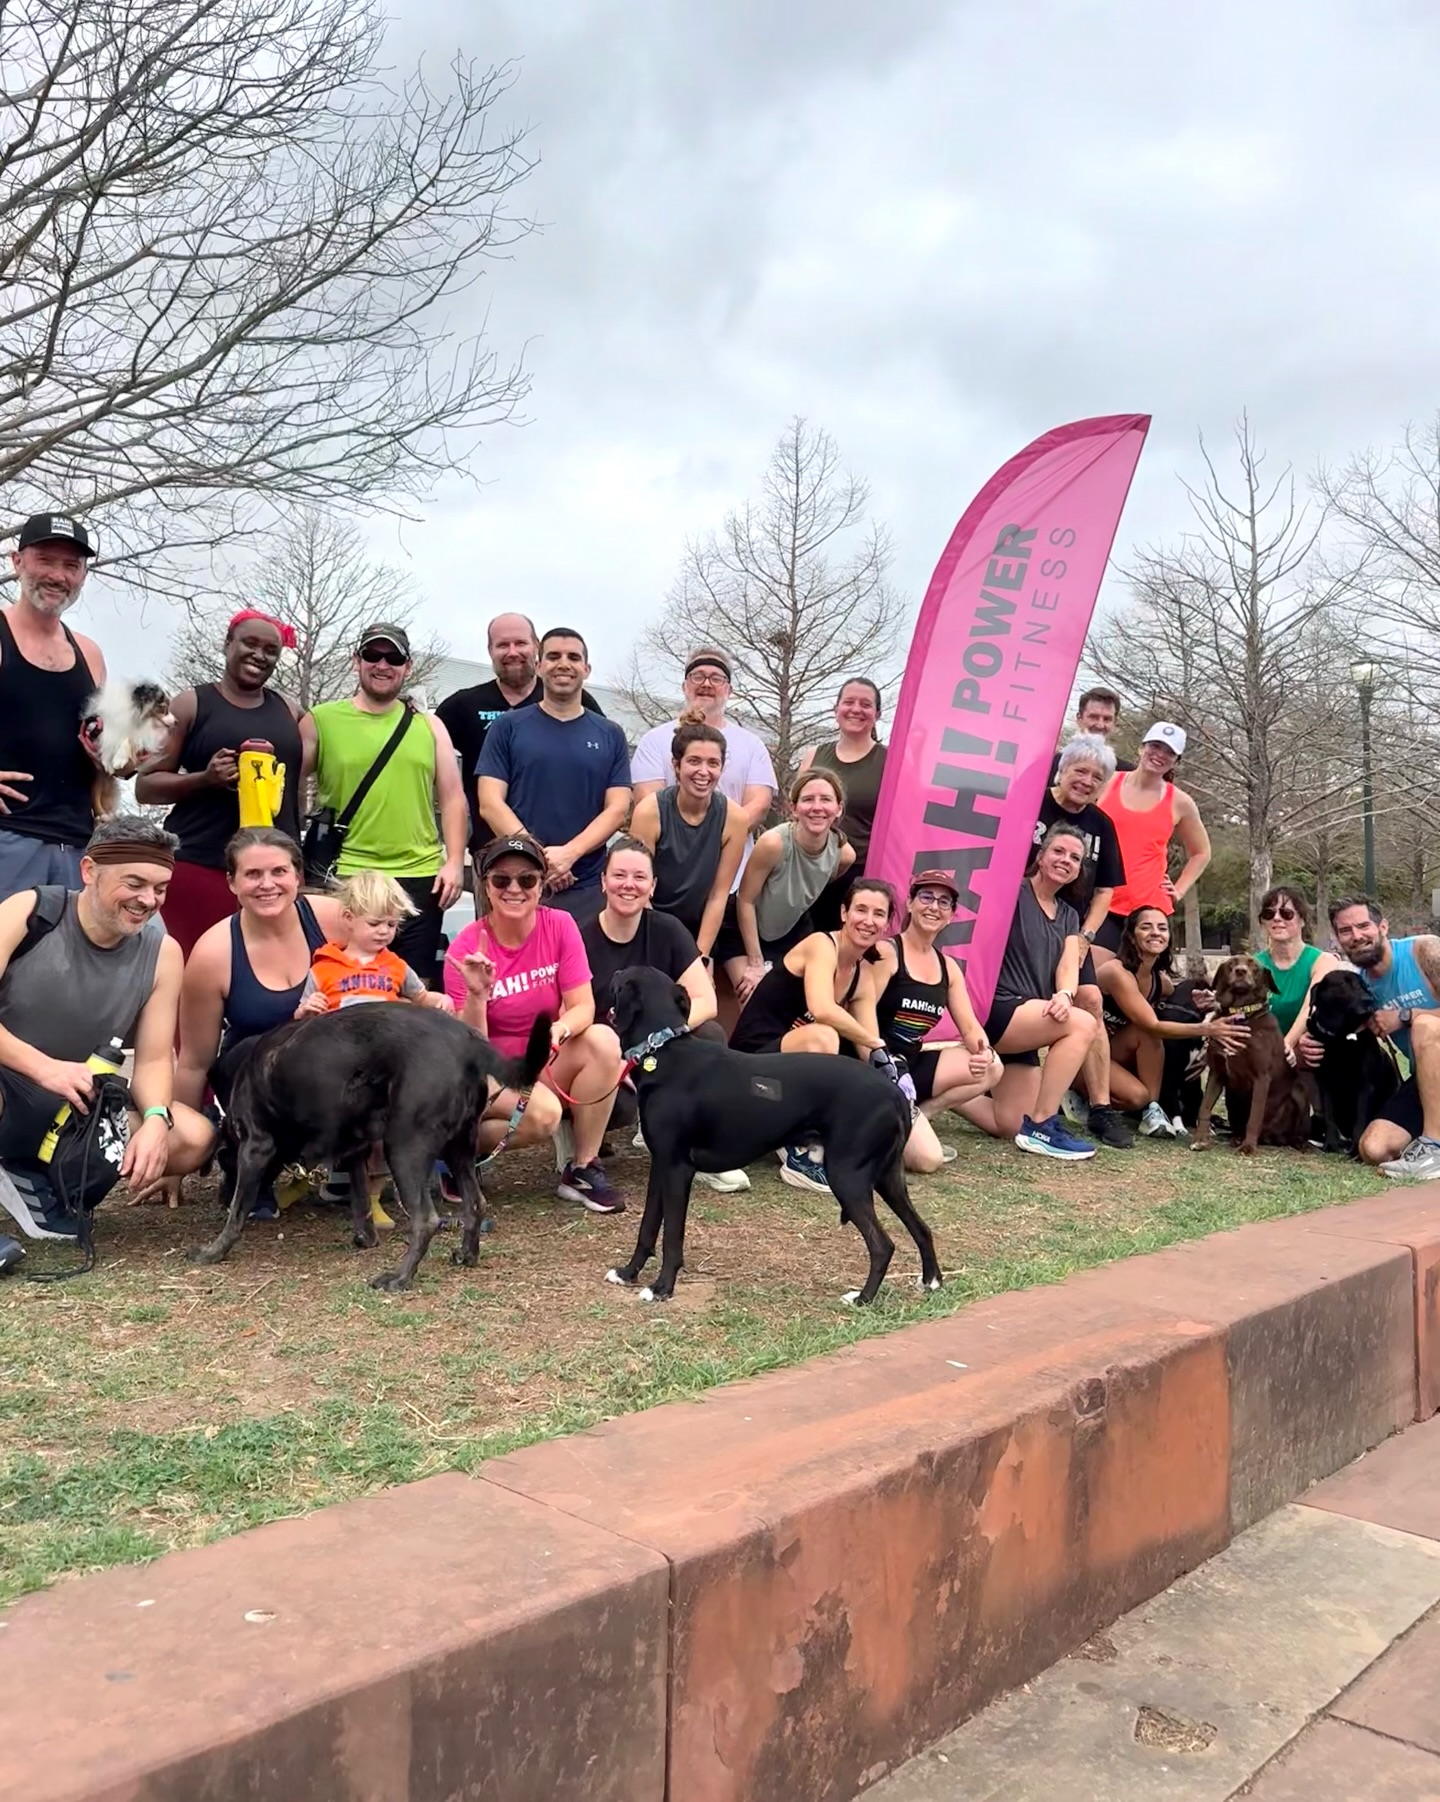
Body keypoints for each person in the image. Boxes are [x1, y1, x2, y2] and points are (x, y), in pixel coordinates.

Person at [0, 816, 213, 1243]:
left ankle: (33, 1176)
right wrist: (46, 1068)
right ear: (89, 871)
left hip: (73, 1105)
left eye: (160, 888)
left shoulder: (163, 952)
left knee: (193, 1137)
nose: (148, 900)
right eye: (134, 883)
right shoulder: (31, 911)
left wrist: (156, 1119)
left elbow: (154, 1058)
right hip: (12, 1083)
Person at [443, 834, 627, 1212]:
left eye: (527, 879)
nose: (514, 889)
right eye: (501, 880)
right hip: (488, 1068)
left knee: (604, 1041)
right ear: (486, 886)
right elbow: (469, 1047)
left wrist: (561, 1028)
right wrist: (477, 995)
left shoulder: (559, 925)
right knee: (543, 1115)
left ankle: (583, 1167)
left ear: (541, 886)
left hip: (543, 1054)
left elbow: (582, 1005)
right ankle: (456, 1150)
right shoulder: (467, 948)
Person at [175, 828, 345, 1217]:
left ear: (297, 876)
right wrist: (177, 1152)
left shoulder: (336, 919)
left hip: (335, 1066)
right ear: (232, 882)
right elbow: (194, 1062)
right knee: (257, 1051)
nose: (267, 884)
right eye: (252, 874)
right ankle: (248, 1168)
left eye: (279, 872)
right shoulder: (213, 953)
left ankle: (356, 1166)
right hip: (257, 1080)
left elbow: (386, 982)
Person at [580, 837, 749, 1195]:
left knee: (710, 1036)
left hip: (654, 1052)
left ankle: (700, 1147)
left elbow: (706, 1001)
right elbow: (572, 1013)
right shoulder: (581, 938)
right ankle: (579, 1145)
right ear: (603, 881)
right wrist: (615, 1060)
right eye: (619, 875)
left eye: (639, 877)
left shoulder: (668, 930)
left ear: (653, 886)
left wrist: (655, 1042)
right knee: (621, 1107)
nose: (629, 885)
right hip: (603, 1058)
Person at [301, 623, 466, 978]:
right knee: (345, 985)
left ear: (407, 666)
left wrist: (454, 861)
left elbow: (453, 797)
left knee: (413, 987)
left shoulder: (430, 726)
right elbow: (286, 783)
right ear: (356, 661)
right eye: (373, 655)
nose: (382, 664)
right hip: (347, 875)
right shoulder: (321, 720)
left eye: (393, 658)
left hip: (419, 875)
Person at [135, 610, 303, 956]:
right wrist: (205, 778)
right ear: (228, 644)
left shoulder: (291, 711)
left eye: (270, 650)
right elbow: (145, 786)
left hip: (272, 872)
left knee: (267, 971)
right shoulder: (191, 704)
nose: (259, 655)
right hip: (202, 864)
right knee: (196, 966)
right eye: (250, 644)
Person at [729, 878, 897, 1192]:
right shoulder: (821, 944)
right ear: (844, 913)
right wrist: (876, 1043)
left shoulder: (862, 976)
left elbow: (869, 1052)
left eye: (879, 914)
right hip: (747, 1073)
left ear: (887, 924)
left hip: (781, 1082)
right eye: (861, 910)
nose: (868, 920)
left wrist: (892, 1083)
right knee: (824, 1038)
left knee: (921, 1151)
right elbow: (822, 1009)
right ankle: (798, 1149)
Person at [435, 612, 606, 892]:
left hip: (571, 868)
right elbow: (427, 761)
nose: (512, 652)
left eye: (520, 643)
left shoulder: (581, 704)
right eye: (502, 645)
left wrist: (568, 854)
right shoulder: (462, 706)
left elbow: (598, 783)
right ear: (490, 650)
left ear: (536, 648)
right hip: (493, 860)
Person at [961, 824, 1100, 1160]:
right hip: (998, 1007)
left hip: (1031, 1019)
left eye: (1075, 858)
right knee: (1083, 1024)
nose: (1065, 860)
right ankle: (1043, 1125)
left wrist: (1065, 995)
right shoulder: (1010, 892)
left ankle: (921, 1093)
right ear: (1040, 855)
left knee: (1009, 1122)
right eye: (1058, 851)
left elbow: (1068, 966)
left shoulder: (1069, 915)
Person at [475, 629, 631, 919]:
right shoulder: (507, 727)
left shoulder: (610, 734)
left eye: (573, 657)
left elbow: (618, 809)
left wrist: (570, 853)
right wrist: (539, 859)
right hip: (518, 884)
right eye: (554, 656)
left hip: (587, 884)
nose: (563, 664)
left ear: (586, 669)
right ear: (538, 666)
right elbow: (490, 802)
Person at [0, 513, 110, 899]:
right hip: (8, 838)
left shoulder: (90, 653)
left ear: (83, 575)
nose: (58, 575)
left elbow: (106, 753)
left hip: (77, 846)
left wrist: (121, 755)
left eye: (71, 566)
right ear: (17, 562)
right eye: (45, 560)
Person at [1031, 734, 1132, 1147]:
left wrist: (1085, 936)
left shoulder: (1101, 825)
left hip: (1071, 929)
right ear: (1062, 770)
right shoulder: (1031, 803)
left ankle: (1101, 1109)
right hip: (1021, 922)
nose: (1087, 781)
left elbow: (1105, 891)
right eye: (1080, 771)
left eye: (1096, 777)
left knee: (1089, 1000)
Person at [872, 871, 1004, 1173]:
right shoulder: (887, 953)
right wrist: (880, 1062)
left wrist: (982, 1052)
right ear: (909, 903)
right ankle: (880, 1129)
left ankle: (921, 1116)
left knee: (993, 1066)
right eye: (926, 897)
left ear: (952, 915)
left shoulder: (948, 967)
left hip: (912, 1064)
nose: (934, 907)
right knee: (928, 1160)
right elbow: (860, 1018)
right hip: (878, 1065)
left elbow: (970, 1028)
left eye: (944, 902)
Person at [1301, 898, 1440, 1181]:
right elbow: (1332, 1022)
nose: (1356, 935)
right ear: (1338, 939)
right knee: (1374, 1148)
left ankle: (1433, 1148)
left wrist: (1406, 1015)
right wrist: (1307, 1040)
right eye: (1345, 930)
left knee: (1425, 1025)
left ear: (1383, 927)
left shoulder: (1424, 951)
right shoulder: (1359, 987)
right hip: (1427, 1082)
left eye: (1363, 925)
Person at [1097, 906, 1247, 1136]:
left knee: (1141, 1089)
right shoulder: (1116, 972)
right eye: (1146, 927)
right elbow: (1153, 1025)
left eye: (1162, 928)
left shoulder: (1161, 982)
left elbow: (1174, 1005)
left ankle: (1152, 1109)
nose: (1155, 933)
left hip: (1117, 1052)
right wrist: (1208, 1029)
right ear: (1131, 936)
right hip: (1089, 1053)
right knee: (1146, 1039)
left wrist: (1198, 1001)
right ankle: (1084, 1096)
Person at [630, 649, 777, 862]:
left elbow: (759, 805)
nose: (706, 684)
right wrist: (686, 843)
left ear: (729, 690)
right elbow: (647, 801)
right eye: (697, 676)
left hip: (732, 873)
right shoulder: (654, 740)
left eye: (716, 678)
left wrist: (712, 841)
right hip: (666, 869)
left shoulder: (752, 745)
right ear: (684, 686)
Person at [730, 768, 855, 1002]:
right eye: (808, 800)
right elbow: (745, 900)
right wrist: (756, 963)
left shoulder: (844, 854)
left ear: (838, 808)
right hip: (743, 926)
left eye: (825, 799)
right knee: (755, 998)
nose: (817, 807)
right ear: (793, 808)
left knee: (805, 999)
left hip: (791, 928)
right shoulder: (773, 844)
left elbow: (816, 884)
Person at [627, 716, 748, 959]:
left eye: (713, 763)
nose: (704, 771)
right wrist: (662, 951)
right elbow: (639, 888)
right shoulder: (650, 811)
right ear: (676, 765)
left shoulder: (735, 818)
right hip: (648, 923)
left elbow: (718, 896)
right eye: (694, 761)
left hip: (700, 930)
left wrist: (699, 957)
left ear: (722, 768)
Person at [1094, 722, 1211, 954]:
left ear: (1175, 761)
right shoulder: (1106, 782)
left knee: (1142, 975)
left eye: (1169, 752)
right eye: (1155, 746)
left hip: (1149, 912)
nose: (1160, 755)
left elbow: (1201, 852)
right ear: (1142, 748)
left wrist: (1179, 889)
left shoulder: (1180, 802)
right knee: (1099, 970)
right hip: (1101, 902)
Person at [296, 871, 458, 1016]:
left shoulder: (397, 966)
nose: (384, 931)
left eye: (391, 924)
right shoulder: (323, 967)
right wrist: (306, 1010)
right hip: (339, 1036)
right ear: (349, 917)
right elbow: (302, 1012)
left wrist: (442, 1000)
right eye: (374, 924)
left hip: (385, 1035)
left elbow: (421, 998)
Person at [796, 677, 887, 928]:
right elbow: (796, 814)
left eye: (865, 704)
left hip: (858, 878)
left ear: (877, 714)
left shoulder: (890, 761)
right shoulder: (814, 755)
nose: (856, 709)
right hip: (809, 870)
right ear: (836, 709)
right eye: (849, 702)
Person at [1252, 885, 1340, 1060]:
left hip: (1307, 1056)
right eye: (1269, 914)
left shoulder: (1324, 961)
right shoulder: (1253, 965)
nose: (1277, 918)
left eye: (1286, 913)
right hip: (1261, 1057)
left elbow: (1311, 1007)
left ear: (1302, 920)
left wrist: (1286, 1045)